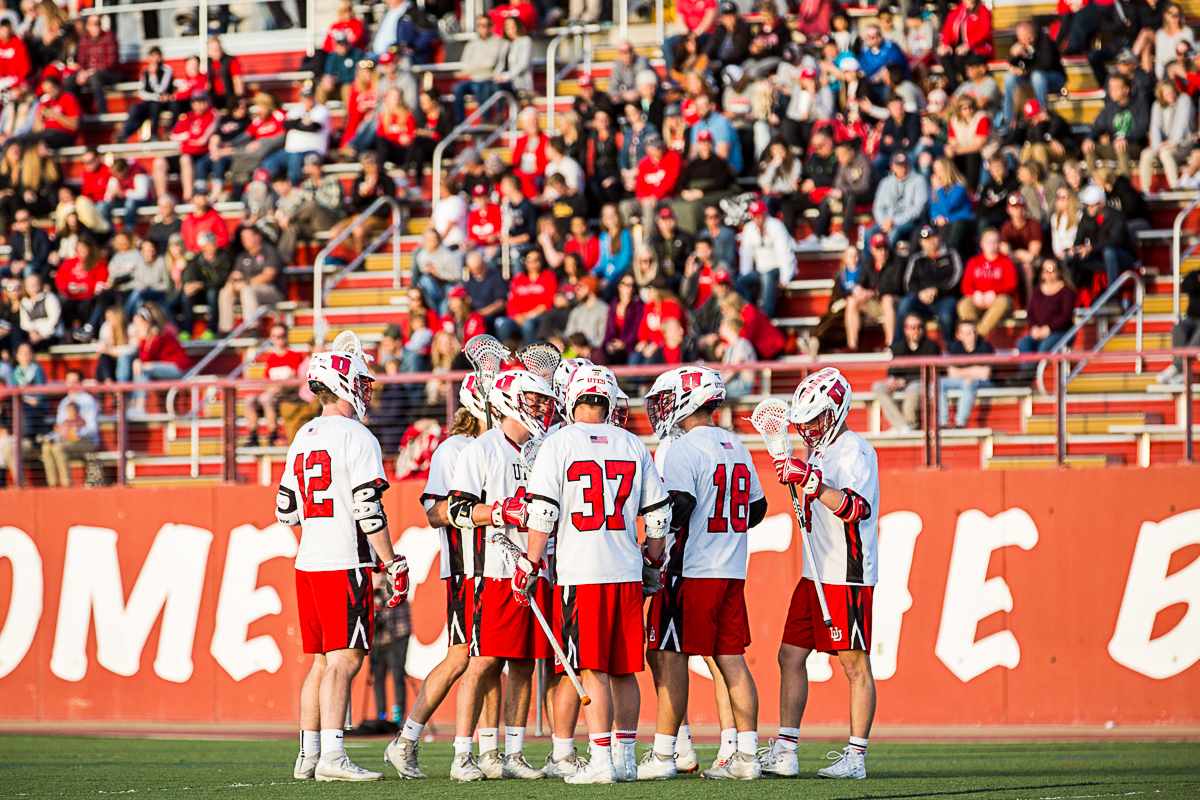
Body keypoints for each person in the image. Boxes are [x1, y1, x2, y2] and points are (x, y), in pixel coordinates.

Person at [524, 365, 670, 783]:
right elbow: (658, 517)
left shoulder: (559, 442)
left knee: (593, 668)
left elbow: (544, 511)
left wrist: (531, 563)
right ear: (609, 400)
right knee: (624, 668)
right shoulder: (632, 443)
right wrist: (653, 562)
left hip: (581, 573)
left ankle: (602, 761)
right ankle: (624, 758)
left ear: (572, 400)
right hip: (624, 570)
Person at [277, 332, 408, 783]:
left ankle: (309, 754)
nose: (366, 389)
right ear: (344, 381)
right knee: (345, 660)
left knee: (320, 661)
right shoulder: (358, 436)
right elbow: (368, 508)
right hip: (342, 562)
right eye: (361, 381)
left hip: (308, 561)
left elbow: (285, 509)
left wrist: (320, 530)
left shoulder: (303, 435)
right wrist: (391, 561)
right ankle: (333, 755)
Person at [760, 367, 879, 778]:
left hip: (846, 574)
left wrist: (810, 481)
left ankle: (856, 757)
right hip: (816, 571)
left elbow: (855, 509)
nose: (809, 427)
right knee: (789, 655)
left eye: (816, 418)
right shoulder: (822, 451)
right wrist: (798, 479)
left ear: (837, 409)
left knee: (854, 665)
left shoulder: (855, 451)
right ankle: (786, 749)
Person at [446, 369, 558, 782]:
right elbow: (455, 510)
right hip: (494, 570)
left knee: (526, 663)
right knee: (484, 661)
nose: (542, 408)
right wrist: (498, 512)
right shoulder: (483, 448)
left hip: (536, 570)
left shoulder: (544, 449)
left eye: (544, 401)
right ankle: (464, 753)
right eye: (534, 399)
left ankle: (512, 753)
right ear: (510, 400)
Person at [384, 380, 500, 778]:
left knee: (492, 660)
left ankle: (489, 751)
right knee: (462, 659)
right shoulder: (455, 448)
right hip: (468, 566)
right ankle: (409, 741)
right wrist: (486, 511)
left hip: (496, 566)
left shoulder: (501, 445)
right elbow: (434, 511)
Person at [1065, 184, 1137, 289]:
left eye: (1092, 205)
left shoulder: (1116, 216)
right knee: (1070, 256)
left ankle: (1113, 294)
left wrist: (1091, 248)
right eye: (1087, 205)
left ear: (1102, 203)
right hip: (1098, 256)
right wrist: (1077, 249)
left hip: (1122, 256)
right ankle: (1072, 292)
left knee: (1109, 252)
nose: (1089, 208)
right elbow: (1079, 239)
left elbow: (1115, 241)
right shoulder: (1086, 217)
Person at [217, 226, 285, 334]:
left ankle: (252, 328)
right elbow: (235, 274)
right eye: (243, 237)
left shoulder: (269, 251)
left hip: (272, 290)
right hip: (247, 289)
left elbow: (269, 275)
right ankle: (225, 330)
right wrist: (231, 284)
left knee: (248, 291)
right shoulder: (242, 256)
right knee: (225, 292)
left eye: (247, 237)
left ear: (258, 237)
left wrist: (246, 283)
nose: (244, 240)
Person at [1017, 257, 1077, 374]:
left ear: (1059, 271)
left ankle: (1032, 374)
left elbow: (1066, 316)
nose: (1048, 273)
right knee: (1023, 343)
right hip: (1039, 331)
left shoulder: (1066, 292)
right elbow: (1030, 314)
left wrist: (1048, 329)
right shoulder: (1037, 291)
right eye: (1045, 270)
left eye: (1051, 269)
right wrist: (1034, 328)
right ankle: (1027, 373)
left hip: (1060, 332)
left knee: (1044, 347)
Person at [736, 199, 795, 318]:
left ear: (765, 214)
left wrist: (785, 278)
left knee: (767, 277)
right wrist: (745, 273)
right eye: (754, 216)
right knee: (741, 281)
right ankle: (749, 312)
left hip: (777, 268)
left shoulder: (776, 226)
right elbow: (746, 254)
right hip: (760, 269)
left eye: (759, 215)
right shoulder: (749, 229)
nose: (757, 219)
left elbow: (785, 252)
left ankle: (766, 315)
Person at [39, 369, 97, 488]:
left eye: (75, 381)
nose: (72, 385)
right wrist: (51, 436)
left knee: (59, 448)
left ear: (81, 383)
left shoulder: (88, 400)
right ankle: (53, 484)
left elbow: (92, 429)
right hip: (66, 440)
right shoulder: (64, 402)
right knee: (46, 447)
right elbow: (60, 427)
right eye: (69, 381)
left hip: (85, 441)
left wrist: (78, 432)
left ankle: (66, 485)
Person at [1082, 75, 1149, 177]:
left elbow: (1141, 129)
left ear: (1126, 89)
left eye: (1115, 88)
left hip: (1134, 146)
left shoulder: (1139, 105)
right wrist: (1089, 138)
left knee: (1121, 147)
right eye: (1110, 88)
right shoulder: (1109, 109)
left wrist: (1125, 138)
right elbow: (1097, 128)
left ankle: (1125, 180)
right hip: (1114, 146)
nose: (1111, 91)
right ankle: (1091, 182)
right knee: (1091, 147)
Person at [1003, 20, 1065, 127]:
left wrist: (1024, 72)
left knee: (1037, 77)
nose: (1026, 39)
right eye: (1022, 36)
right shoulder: (1018, 43)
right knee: (1009, 78)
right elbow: (1012, 66)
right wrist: (1013, 56)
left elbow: (1045, 65)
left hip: (1053, 77)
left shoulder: (1045, 42)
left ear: (1035, 33)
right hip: (1029, 78)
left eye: (1028, 35)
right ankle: (1009, 119)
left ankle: (1040, 115)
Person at [958, 228, 1018, 337]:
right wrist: (975, 294)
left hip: (998, 299)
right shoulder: (974, 261)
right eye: (988, 241)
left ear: (999, 244)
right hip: (978, 300)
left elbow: (1012, 284)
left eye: (995, 241)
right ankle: (972, 334)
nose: (992, 244)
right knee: (964, 305)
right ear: (982, 244)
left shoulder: (1006, 261)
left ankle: (979, 336)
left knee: (1003, 302)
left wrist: (994, 293)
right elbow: (965, 285)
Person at [939, 320, 994, 430]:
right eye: (968, 333)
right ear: (959, 335)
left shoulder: (985, 345)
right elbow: (951, 373)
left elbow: (985, 375)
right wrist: (975, 370)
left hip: (984, 383)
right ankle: (943, 422)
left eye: (974, 332)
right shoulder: (955, 347)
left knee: (969, 382)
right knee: (937, 383)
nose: (972, 336)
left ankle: (960, 423)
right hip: (964, 381)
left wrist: (963, 373)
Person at [1140, 79, 1194, 190]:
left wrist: (1172, 143)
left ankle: (1175, 186)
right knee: (1146, 154)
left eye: (1172, 92)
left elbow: (1182, 126)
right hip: (1163, 145)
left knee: (1166, 153)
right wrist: (1157, 146)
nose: (1171, 95)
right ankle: (1144, 190)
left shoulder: (1184, 101)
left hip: (1183, 144)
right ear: (1162, 96)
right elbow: (1155, 128)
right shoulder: (1157, 106)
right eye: (1167, 94)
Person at [871, 152, 928, 245]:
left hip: (910, 222)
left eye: (904, 166)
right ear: (892, 167)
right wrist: (884, 222)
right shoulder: (885, 182)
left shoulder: (919, 180)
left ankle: (888, 257)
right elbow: (878, 207)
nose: (902, 169)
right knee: (869, 233)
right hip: (886, 222)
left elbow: (919, 209)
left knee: (894, 233)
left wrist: (895, 222)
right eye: (898, 166)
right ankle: (868, 259)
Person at [66, 14, 119, 114]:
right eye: (94, 24)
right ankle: (74, 112)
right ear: (88, 26)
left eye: (99, 24)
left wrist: (90, 71)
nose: (97, 27)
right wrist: (82, 72)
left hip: (109, 73)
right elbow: (82, 60)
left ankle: (102, 111)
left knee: (94, 78)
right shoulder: (84, 39)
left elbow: (110, 64)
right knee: (68, 80)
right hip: (89, 73)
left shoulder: (109, 37)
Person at [936, 0, 994, 90]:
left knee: (961, 59)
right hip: (959, 49)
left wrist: (969, 44)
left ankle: (970, 86)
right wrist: (946, 44)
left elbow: (985, 32)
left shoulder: (983, 10)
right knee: (945, 58)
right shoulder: (957, 11)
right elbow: (947, 30)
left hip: (978, 49)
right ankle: (955, 88)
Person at [1156, 268, 1200, 384]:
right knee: (1178, 328)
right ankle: (1177, 369)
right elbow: (1185, 286)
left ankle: (1180, 368)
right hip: (1192, 319)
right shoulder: (1195, 274)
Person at [603, 275, 643, 365]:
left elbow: (636, 330)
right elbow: (609, 329)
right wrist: (609, 343)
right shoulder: (613, 304)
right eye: (626, 284)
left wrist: (624, 343)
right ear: (619, 286)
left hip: (629, 347)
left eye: (632, 285)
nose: (630, 288)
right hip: (613, 345)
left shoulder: (637, 306)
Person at [718, 315, 756, 399]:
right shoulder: (729, 347)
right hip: (731, 383)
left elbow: (733, 370)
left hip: (742, 385)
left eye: (722, 326)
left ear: (729, 327)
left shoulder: (742, 344)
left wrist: (718, 384)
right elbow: (725, 370)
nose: (719, 329)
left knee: (716, 393)